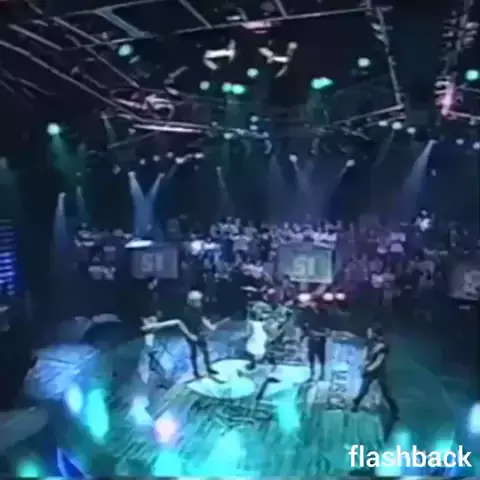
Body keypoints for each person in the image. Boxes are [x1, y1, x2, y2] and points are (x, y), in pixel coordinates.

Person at [351, 324, 399, 420]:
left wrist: (368, 368)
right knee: (364, 388)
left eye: (370, 332)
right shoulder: (369, 341)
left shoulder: (383, 346)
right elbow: (365, 351)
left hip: (379, 371)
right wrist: (364, 361)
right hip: (369, 369)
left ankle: (394, 410)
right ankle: (356, 403)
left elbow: (378, 361)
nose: (368, 333)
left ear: (375, 333)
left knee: (386, 392)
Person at [298, 296, 330, 380]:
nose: (314, 304)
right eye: (313, 303)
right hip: (311, 335)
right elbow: (302, 323)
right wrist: (305, 333)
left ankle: (322, 373)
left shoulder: (324, 312)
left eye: (316, 303)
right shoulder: (308, 312)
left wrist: (325, 332)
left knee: (321, 354)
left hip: (321, 336)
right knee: (311, 354)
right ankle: (312, 372)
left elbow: (327, 323)